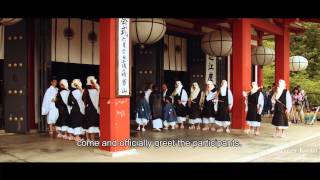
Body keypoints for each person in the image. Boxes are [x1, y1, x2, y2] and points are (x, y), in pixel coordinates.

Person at [82, 76, 100, 141]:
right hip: (94, 110)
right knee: (93, 125)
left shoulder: (85, 90)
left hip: (88, 109)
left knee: (87, 124)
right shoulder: (96, 91)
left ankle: (88, 139)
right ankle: (92, 140)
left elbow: (83, 100)